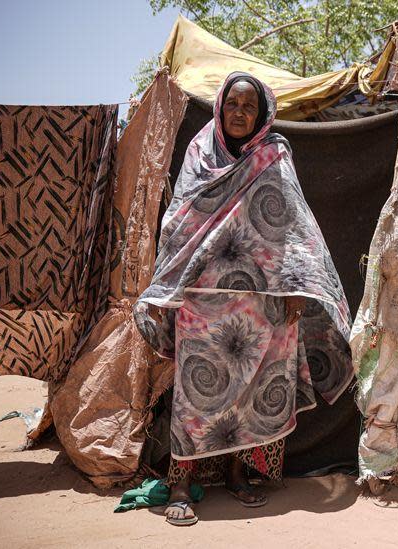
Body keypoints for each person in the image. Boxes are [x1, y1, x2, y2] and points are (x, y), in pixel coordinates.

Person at [134, 72, 353, 526]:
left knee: (250, 394)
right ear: (220, 107)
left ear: (261, 113)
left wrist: (295, 290)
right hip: (204, 301)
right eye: (231, 103)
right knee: (195, 397)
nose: (238, 113)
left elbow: (295, 230)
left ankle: (236, 474)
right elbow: (178, 224)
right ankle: (180, 482)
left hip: (262, 302)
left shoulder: (274, 156)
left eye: (247, 106)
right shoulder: (200, 153)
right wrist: (166, 287)